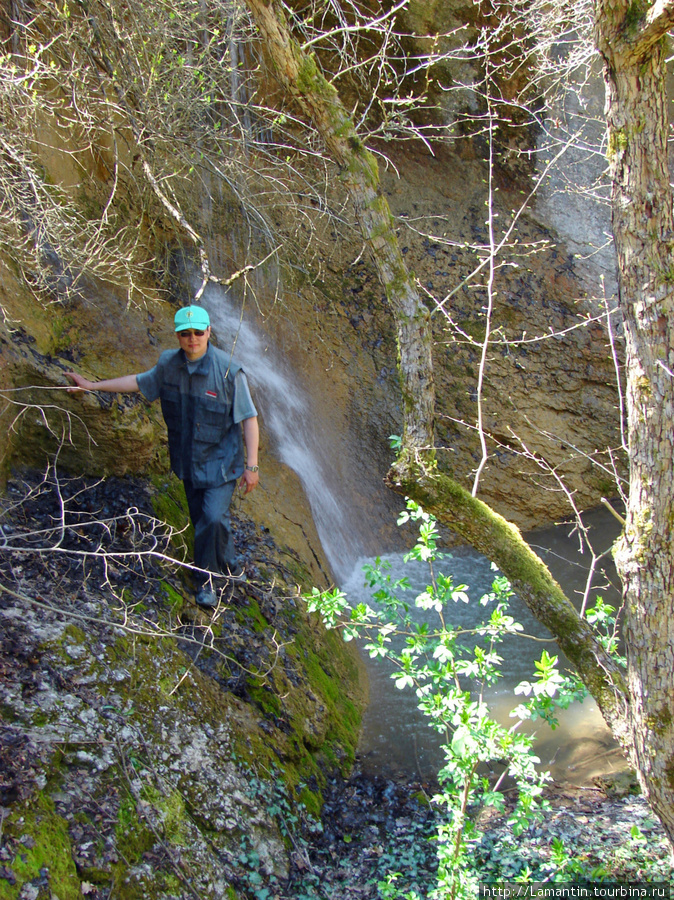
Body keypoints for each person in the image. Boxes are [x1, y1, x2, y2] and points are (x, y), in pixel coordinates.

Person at [67, 305, 259, 609]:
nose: (192, 338)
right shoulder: (168, 365)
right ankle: (231, 564)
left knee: (210, 519)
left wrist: (252, 466)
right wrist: (93, 385)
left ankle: (206, 581)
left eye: (198, 332)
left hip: (223, 464)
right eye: (185, 333)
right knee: (207, 521)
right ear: (178, 336)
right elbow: (138, 382)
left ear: (209, 332)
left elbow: (249, 419)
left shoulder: (228, 371)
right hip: (187, 462)